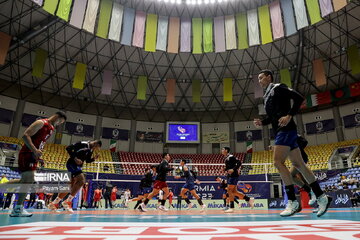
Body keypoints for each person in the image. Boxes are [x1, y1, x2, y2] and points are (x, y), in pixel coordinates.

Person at [253, 69, 332, 217]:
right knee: (299, 165)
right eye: (258, 79)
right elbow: (272, 117)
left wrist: (289, 115)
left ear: (269, 77)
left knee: (277, 162)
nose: (259, 81)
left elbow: (299, 98)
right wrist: (262, 122)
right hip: (280, 131)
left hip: (286, 130)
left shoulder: (278, 87)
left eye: (261, 77)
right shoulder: (267, 95)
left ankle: (292, 201)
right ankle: (322, 197)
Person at [10, 111, 66, 217]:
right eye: (60, 122)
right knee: (28, 179)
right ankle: (18, 208)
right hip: (27, 153)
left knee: (25, 180)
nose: (59, 124)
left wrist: (38, 156)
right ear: (57, 117)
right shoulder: (41, 123)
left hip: (34, 156)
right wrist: (34, 150)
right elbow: (25, 136)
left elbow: (40, 143)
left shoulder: (51, 129)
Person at [47, 140, 102, 213]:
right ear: (95, 144)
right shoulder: (82, 144)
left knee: (69, 186)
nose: (95, 149)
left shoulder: (91, 150)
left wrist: (94, 158)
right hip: (72, 164)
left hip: (78, 166)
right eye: (96, 147)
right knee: (82, 180)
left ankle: (53, 204)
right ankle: (67, 202)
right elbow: (68, 148)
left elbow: (87, 160)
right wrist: (75, 158)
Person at [269, 135, 316, 206]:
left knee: (291, 176)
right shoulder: (283, 139)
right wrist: (274, 148)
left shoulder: (291, 134)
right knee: (296, 178)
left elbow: (305, 142)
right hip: (295, 160)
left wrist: (296, 148)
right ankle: (313, 193)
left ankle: (310, 191)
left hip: (300, 158)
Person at [221, 147, 254, 213]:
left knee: (229, 190)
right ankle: (249, 199)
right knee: (234, 192)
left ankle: (232, 207)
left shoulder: (231, 156)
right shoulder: (226, 158)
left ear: (226, 150)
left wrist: (233, 169)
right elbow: (228, 167)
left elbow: (239, 162)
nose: (221, 150)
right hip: (230, 176)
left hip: (233, 176)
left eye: (223, 149)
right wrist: (224, 169)